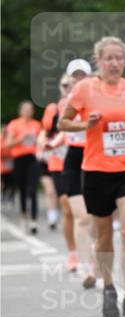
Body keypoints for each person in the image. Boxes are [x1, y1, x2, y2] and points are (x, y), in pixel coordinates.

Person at [59, 37, 125, 317]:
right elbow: (63, 122)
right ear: (98, 61)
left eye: (119, 58)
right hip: (98, 169)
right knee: (102, 236)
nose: (114, 63)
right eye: (108, 58)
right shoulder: (84, 89)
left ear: (124, 61)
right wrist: (84, 124)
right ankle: (109, 288)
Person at [59, 59, 96, 287]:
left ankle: (94, 257)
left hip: (96, 160)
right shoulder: (65, 103)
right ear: (70, 78)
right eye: (76, 75)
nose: (79, 78)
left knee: (96, 217)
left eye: (83, 74)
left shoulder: (99, 100)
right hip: (74, 160)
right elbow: (62, 126)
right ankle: (86, 267)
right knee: (81, 217)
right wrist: (84, 126)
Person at [39, 75, 79, 277]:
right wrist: (45, 145)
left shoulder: (86, 103)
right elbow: (46, 131)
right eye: (64, 85)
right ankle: (72, 252)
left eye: (71, 85)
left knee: (86, 211)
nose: (67, 88)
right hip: (59, 161)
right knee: (68, 208)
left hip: (83, 160)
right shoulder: (54, 108)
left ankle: (88, 250)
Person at [6, 101, 41, 232]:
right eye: (25, 109)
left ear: (32, 111)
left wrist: (38, 141)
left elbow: (41, 142)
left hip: (32, 158)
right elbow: (8, 144)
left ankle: (34, 220)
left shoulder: (37, 125)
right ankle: (23, 215)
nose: (28, 111)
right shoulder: (14, 124)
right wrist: (20, 139)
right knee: (22, 188)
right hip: (19, 158)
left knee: (32, 189)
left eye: (30, 109)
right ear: (20, 111)